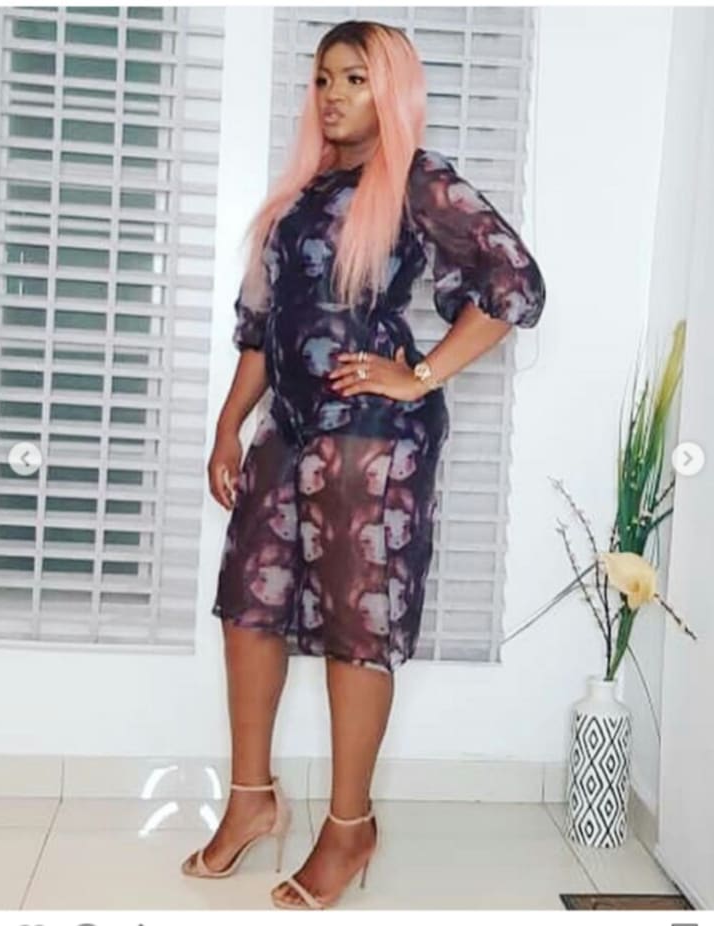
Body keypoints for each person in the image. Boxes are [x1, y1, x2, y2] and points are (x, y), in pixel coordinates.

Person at [182, 19, 546, 910]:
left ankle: (350, 828)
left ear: (389, 89)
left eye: (353, 78)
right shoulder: (299, 197)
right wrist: (229, 426)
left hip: (372, 444)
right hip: (286, 430)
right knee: (248, 607)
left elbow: (515, 284)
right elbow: (263, 329)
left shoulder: (417, 181)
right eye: (322, 79)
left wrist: (418, 375)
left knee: (357, 624)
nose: (333, 96)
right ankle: (252, 799)